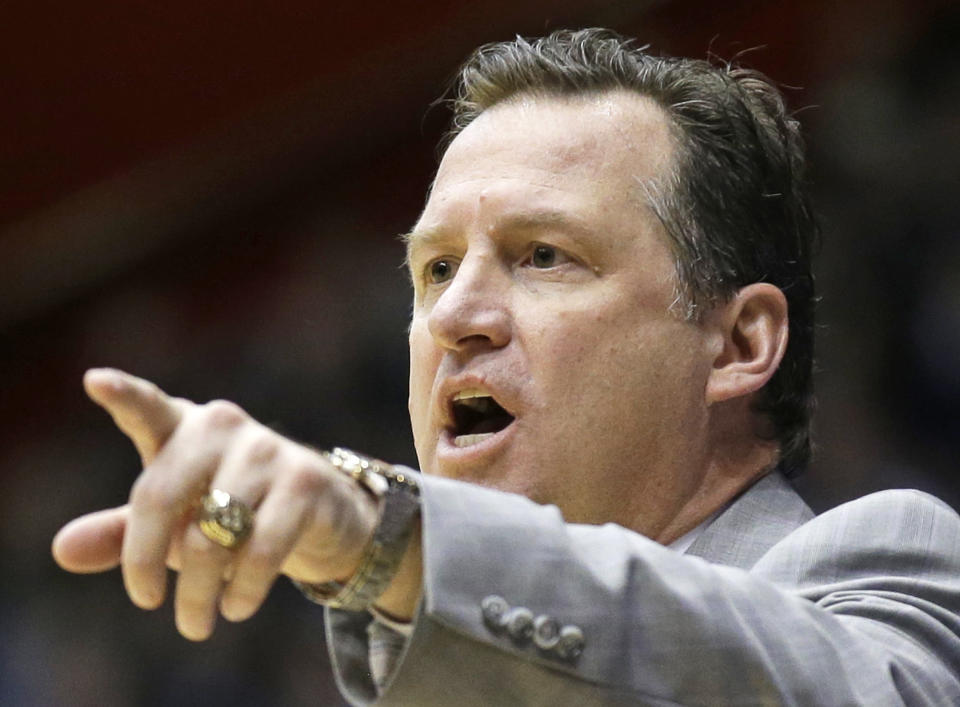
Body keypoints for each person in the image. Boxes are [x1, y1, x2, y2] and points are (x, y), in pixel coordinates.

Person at [52, 28, 960, 705]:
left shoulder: (888, 573)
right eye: (436, 268)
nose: (453, 316)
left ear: (738, 344)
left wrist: (384, 534)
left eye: (544, 256)